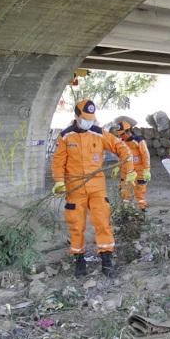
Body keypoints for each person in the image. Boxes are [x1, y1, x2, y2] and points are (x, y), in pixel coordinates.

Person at [51, 99, 136, 278]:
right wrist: (59, 181)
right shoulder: (66, 136)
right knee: (76, 224)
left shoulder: (99, 134)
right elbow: (58, 161)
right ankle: (79, 260)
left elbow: (122, 148)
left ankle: (106, 260)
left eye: (91, 118)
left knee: (103, 222)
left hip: (97, 187)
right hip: (75, 188)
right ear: (77, 116)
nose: (90, 121)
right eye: (85, 118)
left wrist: (128, 170)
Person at [111, 121, 151, 212]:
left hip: (139, 170)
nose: (121, 136)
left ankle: (142, 207)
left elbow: (145, 155)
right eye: (119, 135)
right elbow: (122, 157)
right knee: (125, 189)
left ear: (129, 131)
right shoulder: (122, 142)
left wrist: (146, 169)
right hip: (126, 170)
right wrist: (118, 167)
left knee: (140, 189)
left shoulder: (139, 141)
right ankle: (125, 208)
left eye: (122, 134)